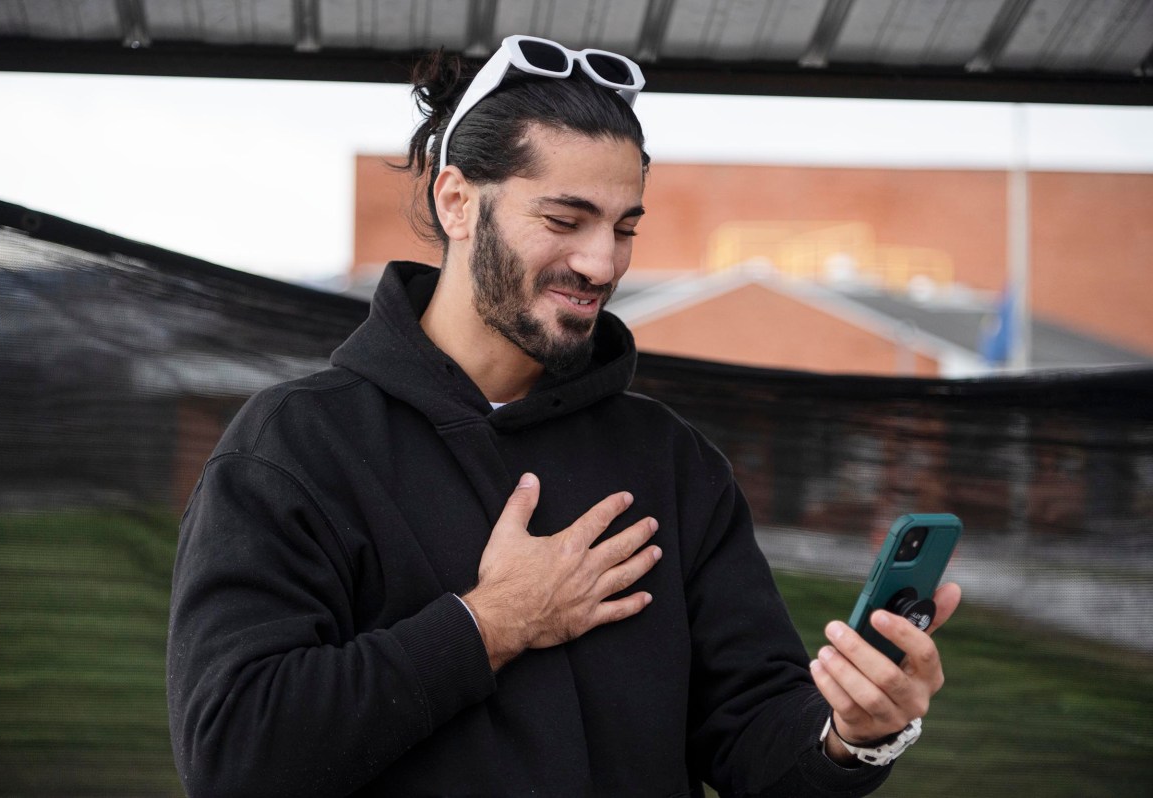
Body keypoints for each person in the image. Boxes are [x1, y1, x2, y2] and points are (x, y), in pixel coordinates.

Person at [166, 34, 960, 798]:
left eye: (624, 227)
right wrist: (488, 625)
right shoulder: (297, 445)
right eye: (564, 219)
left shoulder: (671, 462)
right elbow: (236, 755)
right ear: (457, 202)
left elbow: (756, 743)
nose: (602, 263)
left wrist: (851, 734)